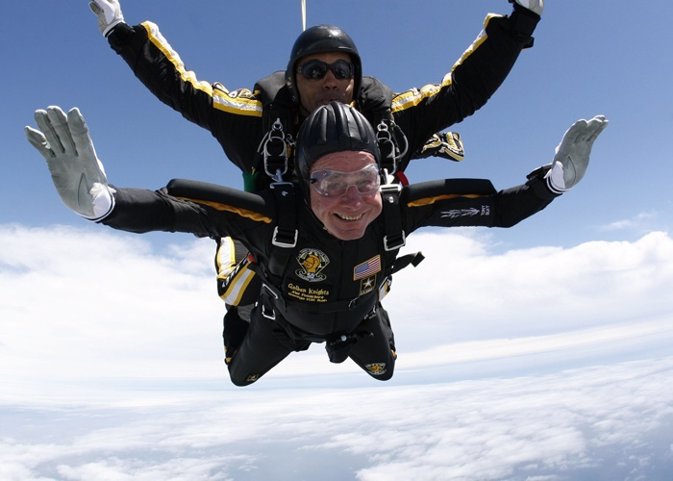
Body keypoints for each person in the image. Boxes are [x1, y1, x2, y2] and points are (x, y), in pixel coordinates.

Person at [26, 102, 608, 386]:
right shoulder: (270, 218)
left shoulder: (396, 213)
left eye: (363, 182)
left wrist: (553, 182)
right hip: (279, 319)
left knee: (385, 373)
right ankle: (237, 288)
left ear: (382, 178)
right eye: (330, 183)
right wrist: (102, 204)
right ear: (305, 186)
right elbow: (179, 211)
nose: (352, 201)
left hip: (354, 318)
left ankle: (353, 302)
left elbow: (498, 211)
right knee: (239, 375)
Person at [88, 0, 544, 357]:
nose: (330, 80)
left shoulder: (386, 122)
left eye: (342, 70)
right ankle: (236, 252)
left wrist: (519, 24)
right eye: (314, 70)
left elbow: (463, 92)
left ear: (355, 79)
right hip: (275, 229)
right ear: (293, 80)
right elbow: (184, 91)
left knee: (373, 269)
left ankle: (419, 153)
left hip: (352, 225)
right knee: (238, 293)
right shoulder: (257, 123)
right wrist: (121, 34)